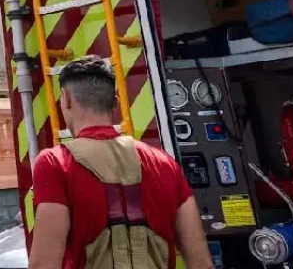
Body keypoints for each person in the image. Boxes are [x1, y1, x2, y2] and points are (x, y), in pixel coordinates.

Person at [29, 56, 213, 269]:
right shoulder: (166, 165)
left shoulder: (55, 163)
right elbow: (202, 264)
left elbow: (44, 264)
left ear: (66, 98)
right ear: (115, 103)